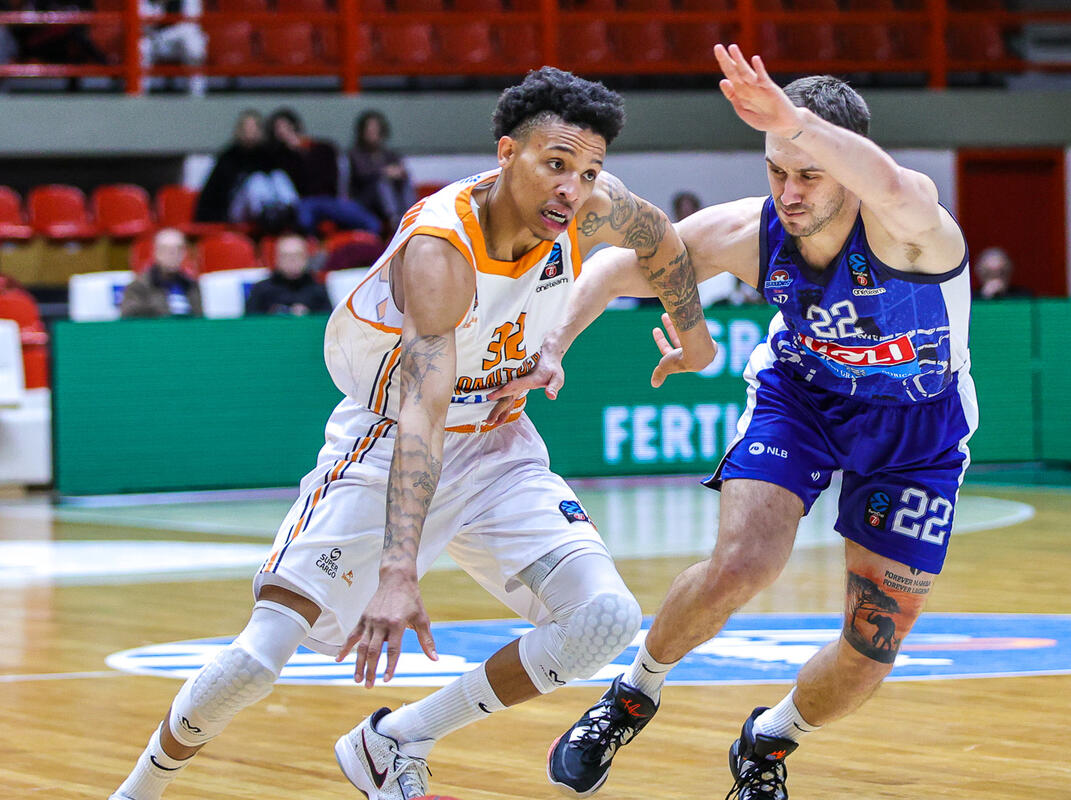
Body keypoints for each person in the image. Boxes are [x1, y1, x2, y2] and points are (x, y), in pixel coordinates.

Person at [108, 66, 715, 800]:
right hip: (390, 440)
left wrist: (695, 342)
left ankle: (395, 739)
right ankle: (139, 789)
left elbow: (660, 240)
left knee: (604, 618)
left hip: (497, 444)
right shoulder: (441, 250)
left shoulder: (591, 206)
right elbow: (423, 412)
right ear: (507, 152)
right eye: (556, 164)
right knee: (259, 658)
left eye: (587, 171)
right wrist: (400, 572)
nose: (572, 187)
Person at [503, 45, 976, 800]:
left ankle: (769, 740)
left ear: (848, 166)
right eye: (776, 170)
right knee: (743, 563)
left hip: (918, 430)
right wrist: (553, 346)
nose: (788, 191)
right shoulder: (752, 233)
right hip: (802, 397)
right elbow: (618, 267)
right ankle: (631, 695)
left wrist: (794, 121)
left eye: (809, 173)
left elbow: (891, 181)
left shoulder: (914, 226)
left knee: (871, 647)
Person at [267, 107, 382, 236]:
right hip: (304, 201)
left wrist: (301, 148)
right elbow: (295, 186)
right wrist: (292, 152)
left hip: (330, 199)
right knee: (304, 221)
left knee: (372, 223)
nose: (282, 131)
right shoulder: (280, 157)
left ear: (294, 125)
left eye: (284, 126)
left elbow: (334, 176)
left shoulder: (323, 148)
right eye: (277, 128)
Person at [194, 110, 279, 224]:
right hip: (235, 213)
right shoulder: (228, 157)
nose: (250, 133)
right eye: (246, 128)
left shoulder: (268, 156)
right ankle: (268, 216)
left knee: (278, 176)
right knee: (256, 180)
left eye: (254, 128)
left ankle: (285, 213)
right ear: (238, 131)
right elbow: (212, 194)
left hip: (272, 204)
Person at [348, 109, 417, 234]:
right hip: (365, 199)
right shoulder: (355, 154)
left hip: (391, 196)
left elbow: (400, 170)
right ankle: (394, 220)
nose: (372, 133)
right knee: (382, 181)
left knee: (405, 178)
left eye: (376, 130)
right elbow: (362, 175)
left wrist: (399, 172)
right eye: (369, 130)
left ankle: (412, 216)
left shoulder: (390, 154)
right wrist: (384, 172)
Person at [119, 228, 202, 318]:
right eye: (165, 249)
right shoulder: (138, 287)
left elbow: (199, 318)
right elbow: (129, 319)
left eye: (178, 249)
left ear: (185, 253)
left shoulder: (192, 285)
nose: (173, 254)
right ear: (155, 252)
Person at [245, 233, 331, 316]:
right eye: (286, 256)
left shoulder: (319, 290)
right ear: (276, 259)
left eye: (297, 255)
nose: (292, 260)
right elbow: (250, 321)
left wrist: (308, 316)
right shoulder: (261, 290)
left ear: (306, 257)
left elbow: (328, 321)